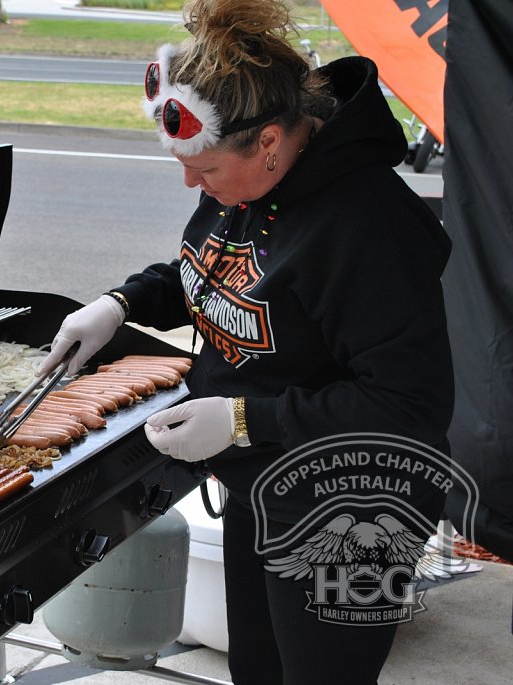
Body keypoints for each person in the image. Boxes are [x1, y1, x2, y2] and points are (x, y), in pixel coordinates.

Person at [41, 1, 454, 683]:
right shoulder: (248, 180)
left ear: (267, 142)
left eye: (203, 172)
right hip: (261, 480)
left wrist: (240, 418)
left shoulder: (372, 230)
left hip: (354, 509)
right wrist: (121, 303)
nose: (190, 185)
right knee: (257, 669)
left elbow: (410, 407)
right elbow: (220, 271)